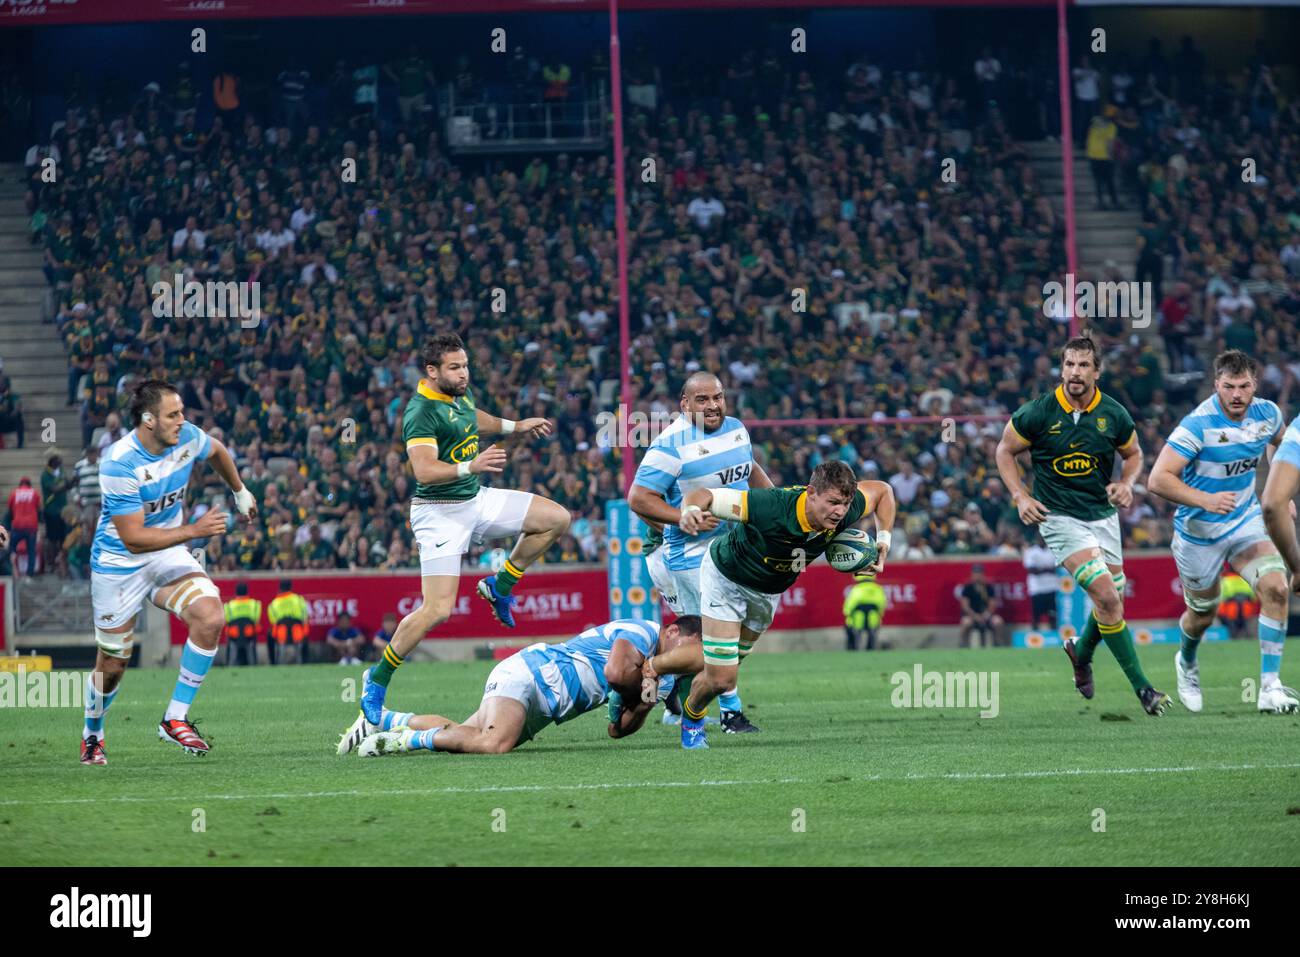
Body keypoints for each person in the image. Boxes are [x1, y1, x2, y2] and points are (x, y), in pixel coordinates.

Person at [358, 333, 565, 726]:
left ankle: (500, 585)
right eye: (455, 368)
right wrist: (472, 465)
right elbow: (423, 470)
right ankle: (376, 678)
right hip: (439, 512)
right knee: (437, 609)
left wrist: (516, 426)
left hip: (475, 499)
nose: (463, 373)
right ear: (432, 371)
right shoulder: (420, 412)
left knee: (556, 519)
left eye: (465, 365)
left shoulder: (458, 395)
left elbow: (475, 418)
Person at [82, 379, 257, 764]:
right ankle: (93, 732)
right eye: (173, 415)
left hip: (167, 552)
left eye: (182, 413)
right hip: (119, 563)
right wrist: (194, 530)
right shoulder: (118, 462)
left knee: (210, 616)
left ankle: (174, 719)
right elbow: (133, 538)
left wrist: (239, 491)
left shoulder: (187, 438)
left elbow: (218, 452)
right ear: (148, 420)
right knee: (113, 663)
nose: (183, 420)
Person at [997, 336, 1169, 715]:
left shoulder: (1114, 413)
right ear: (1061, 368)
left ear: (1097, 371)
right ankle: (1144, 689)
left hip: (1103, 516)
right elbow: (1004, 450)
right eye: (1069, 365)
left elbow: (1134, 453)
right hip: (1059, 518)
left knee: (1112, 602)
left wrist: (1126, 483)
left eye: (1083, 365)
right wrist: (1021, 496)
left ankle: (1080, 651)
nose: (1075, 372)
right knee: (1108, 597)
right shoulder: (1039, 412)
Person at [675, 460, 895, 748]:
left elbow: (883, 492)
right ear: (811, 492)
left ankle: (673, 673)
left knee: (728, 666)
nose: (840, 511)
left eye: (845, 503)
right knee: (721, 679)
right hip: (726, 578)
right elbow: (705, 496)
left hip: (768, 593)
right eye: (832, 502)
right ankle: (691, 720)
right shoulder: (771, 506)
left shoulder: (844, 509)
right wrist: (690, 510)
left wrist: (883, 541)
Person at [1148, 350, 1297, 714]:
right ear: (1216, 385)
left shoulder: (1268, 414)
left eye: (1244, 386)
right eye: (1228, 386)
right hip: (1199, 532)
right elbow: (1157, 479)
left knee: (1277, 587)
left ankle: (1269, 688)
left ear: (1254, 385)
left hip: (1245, 520)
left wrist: (1281, 491)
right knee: (1203, 614)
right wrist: (1204, 499)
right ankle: (1186, 661)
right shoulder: (1197, 425)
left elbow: (1280, 441)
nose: (1236, 395)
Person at [628, 370, 771, 733]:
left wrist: (774, 504)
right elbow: (639, 498)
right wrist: (682, 518)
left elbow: (748, 468)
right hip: (690, 558)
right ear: (685, 404)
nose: (712, 406)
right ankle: (727, 712)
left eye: (718, 397)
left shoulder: (737, 428)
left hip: (735, 550)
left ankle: (672, 693)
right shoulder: (669, 445)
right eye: (702, 400)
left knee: (735, 633)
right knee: (710, 638)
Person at [339, 616, 703, 757]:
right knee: (494, 744)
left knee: (464, 732)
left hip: (545, 708)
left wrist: (641, 706)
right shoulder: (641, 630)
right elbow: (614, 673)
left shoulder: (665, 677)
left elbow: (617, 730)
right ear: (672, 632)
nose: (683, 660)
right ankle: (399, 741)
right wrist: (638, 686)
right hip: (533, 674)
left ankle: (384, 720)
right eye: (685, 649)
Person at [959, 564, 1004, 648]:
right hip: (972, 616)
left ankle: (998, 643)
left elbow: (992, 604)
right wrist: (975, 616)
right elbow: (965, 605)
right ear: (972, 574)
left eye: (979, 573)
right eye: (975, 573)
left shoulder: (988, 587)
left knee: (998, 621)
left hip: (986, 616)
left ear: (983, 574)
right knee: (965, 622)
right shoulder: (968, 588)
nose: (977, 575)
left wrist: (986, 615)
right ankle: (963, 643)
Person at [268, 579, 309, 665]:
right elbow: (305, 617)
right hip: (298, 634)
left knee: (270, 635)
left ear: (280, 588)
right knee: (305, 635)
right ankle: (304, 662)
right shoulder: (299, 599)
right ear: (291, 587)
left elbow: (273, 622)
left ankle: (274, 663)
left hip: (281, 635)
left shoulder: (273, 604)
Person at [4, 477, 40, 575]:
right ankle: (30, 573)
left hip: (17, 526)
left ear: (20, 484)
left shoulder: (14, 493)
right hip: (31, 527)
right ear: (29, 484)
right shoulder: (35, 493)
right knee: (31, 551)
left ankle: (11, 570)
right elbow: (38, 507)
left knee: (11, 549)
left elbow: (9, 509)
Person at [222, 582, 263, 667]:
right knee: (254, 632)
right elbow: (256, 620)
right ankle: (253, 664)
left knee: (229, 633)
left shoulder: (228, 605)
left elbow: (227, 620)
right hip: (249, 634)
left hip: (234, 635)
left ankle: (230, 664)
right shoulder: (255, 604)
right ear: (247, 592)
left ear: (236, 592)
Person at [843, 574, 886, 650]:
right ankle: (870, 648)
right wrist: (879, 614)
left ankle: (854, 648)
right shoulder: (877, 588)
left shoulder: (857, 589)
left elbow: (849, 605)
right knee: (872, 633)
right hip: (873, 616)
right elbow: (882, 604)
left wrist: (848, 613)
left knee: (855, 633)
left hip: (857, 617)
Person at [1023, 540, 1059, 630]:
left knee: (1053, 615)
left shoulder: (1053, 550)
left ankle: (1054, 637)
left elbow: (1058, 568)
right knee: (1036, 615)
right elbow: (1031, 569)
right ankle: (1034, 637)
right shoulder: (1031, 551)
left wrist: (1041, 569)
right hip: (1037, 588)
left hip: (1052, 587)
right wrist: (1048, 569)